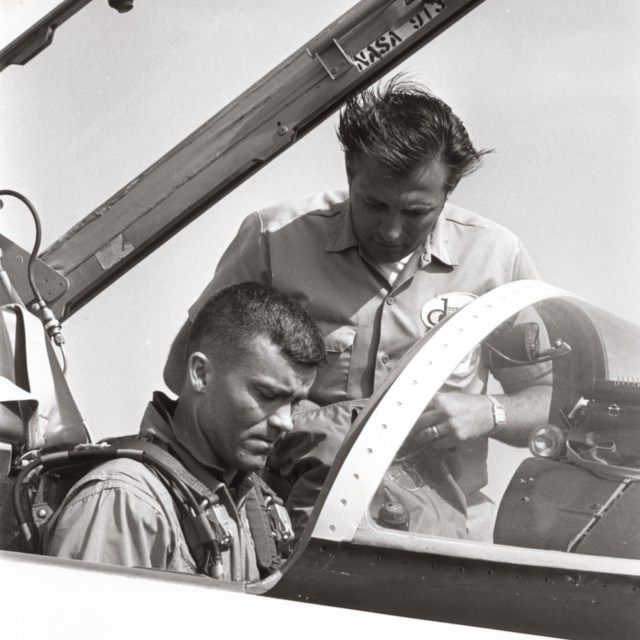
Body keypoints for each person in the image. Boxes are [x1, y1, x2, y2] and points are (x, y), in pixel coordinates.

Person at [163, 78, 552, 540]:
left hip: (447, 534)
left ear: (449, 192)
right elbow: (184, 375)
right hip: (285, 530)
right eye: (373, 204)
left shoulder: (497, 258)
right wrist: (304, 423)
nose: (390, 231)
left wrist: (489, 412)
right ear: (350, 172)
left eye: (416, 213)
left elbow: (554, 400)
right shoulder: (273, 240)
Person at [43, 282, 326, 580]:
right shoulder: (126, 502)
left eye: (293, 403)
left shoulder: (255, 503)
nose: (286, 422)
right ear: (201, 374)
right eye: (267, 395)